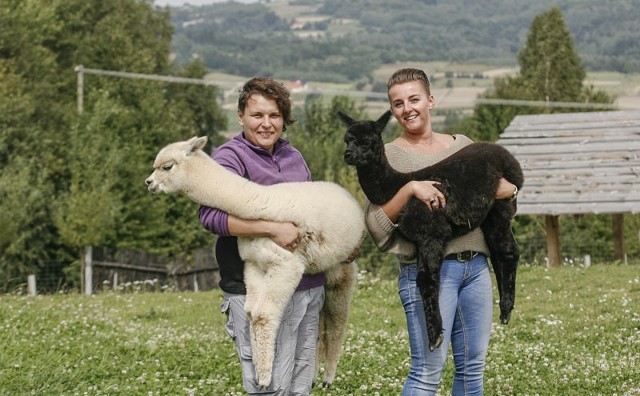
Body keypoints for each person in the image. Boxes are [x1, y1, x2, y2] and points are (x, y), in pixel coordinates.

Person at [364, 68, 518, 395]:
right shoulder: (389, 156)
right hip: (429, 273)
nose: (407, 108)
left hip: (476, 269)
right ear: (392, 111)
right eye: (398, 103)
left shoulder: (463, 145)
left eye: (414, 99)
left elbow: (495, 202)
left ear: (430, 101)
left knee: (472, 368)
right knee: (427, 371)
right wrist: (409, 190)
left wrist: (509, 191)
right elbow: (375, 225)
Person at [199, 77, 324, 395]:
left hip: (307, 286)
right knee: (268, 385)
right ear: (241, 115)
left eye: (275, 115)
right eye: (258, 115)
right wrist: (270, 228)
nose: (267, 124)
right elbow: (211, 216)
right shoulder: (229, 158)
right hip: (256, 291)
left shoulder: (293, 157)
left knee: (300, 382)